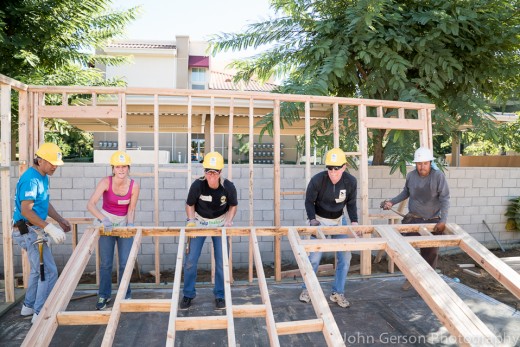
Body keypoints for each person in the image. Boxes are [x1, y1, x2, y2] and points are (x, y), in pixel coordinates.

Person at [12, 143, 71, 324]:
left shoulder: (43, 176)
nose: (55, 166)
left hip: (33, 229)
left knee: (39, 271)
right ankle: (41, 313)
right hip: (28, 231)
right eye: (52, 163)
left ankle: (29, 307)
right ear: (40, 160)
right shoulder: (31, 179)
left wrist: (59, 219)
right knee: (49, 272)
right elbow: (27, 211)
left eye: (56, 163)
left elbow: (44, 203)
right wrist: (49, 227)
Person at [381, 147, 450, 290]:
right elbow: (405, 192)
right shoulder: (411, 176)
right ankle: (412, 277)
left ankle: (428, 282)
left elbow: (445, 199)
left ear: (430, 162)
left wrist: (443, 220)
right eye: (419, 164)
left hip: (432, 220)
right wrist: (391, 202)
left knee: (430, 253)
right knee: (407, 250)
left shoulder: (438, 176)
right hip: (414, 219)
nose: (422, 166)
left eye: (425, 163)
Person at [300, 148, 358, 308]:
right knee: (314, 258)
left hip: (339, 220)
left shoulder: (350, 182)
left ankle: (338, 292)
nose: (333, 172)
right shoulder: (318, 180)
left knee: (345, 258)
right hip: (319, 220)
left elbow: (351, 203)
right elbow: (308, 202)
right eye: (330, 168)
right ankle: (307, 289)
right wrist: (312, 220)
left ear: (344, 167)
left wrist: (354, 222)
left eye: (336, 169)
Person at [180, 151, 238, 310]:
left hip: (220, 223)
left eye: (214, 172)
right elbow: (189, 204)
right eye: (208, 171)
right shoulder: (198, 185)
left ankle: (220, 295)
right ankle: (188, 294)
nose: (211, 175)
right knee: (190, 260)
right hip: (200, 221)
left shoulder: (228, 186)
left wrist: (229, 221)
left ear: (220, 172)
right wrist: (191, 221)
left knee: (221, 262)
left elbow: (233, 205)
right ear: (204, 171)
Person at [87, 151, 140, 310]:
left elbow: (131, 209)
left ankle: (125, 293)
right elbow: (91, 204)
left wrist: (130, 225)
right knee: (106, 264)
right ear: (113, 168)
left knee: (125, 262)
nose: (121, 169)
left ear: (128, 168)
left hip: (123, 223)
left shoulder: (134, 186)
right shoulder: (105, 182)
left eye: (124, 166)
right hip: (107, 224)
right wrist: (103, 219)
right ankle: (104, 295)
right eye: (118, 166)